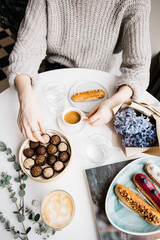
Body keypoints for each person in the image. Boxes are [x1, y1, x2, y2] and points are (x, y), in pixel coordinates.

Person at [7, 0, 151, 143]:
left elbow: (139, 68)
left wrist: (114, 104)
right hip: (55, 71)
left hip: (100, 78)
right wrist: (25, 100)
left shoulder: (136, 2)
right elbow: (25, 52)